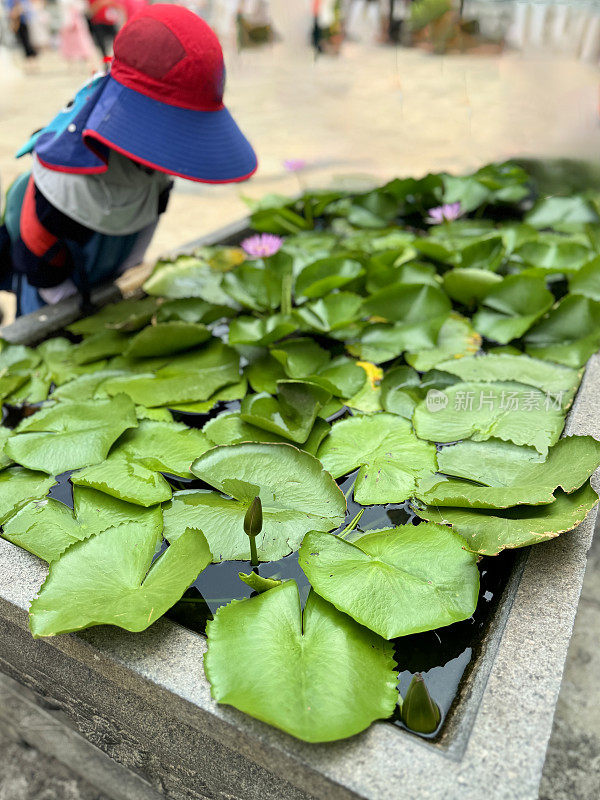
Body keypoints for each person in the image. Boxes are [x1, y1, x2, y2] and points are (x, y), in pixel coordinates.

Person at [0, 4, 258, 316]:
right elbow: (38, 256)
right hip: (51, 282)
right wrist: (75, 310)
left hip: (111, 262)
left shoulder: (159, 168)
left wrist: (121, 284)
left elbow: (148, 216)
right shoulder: (63, 174)